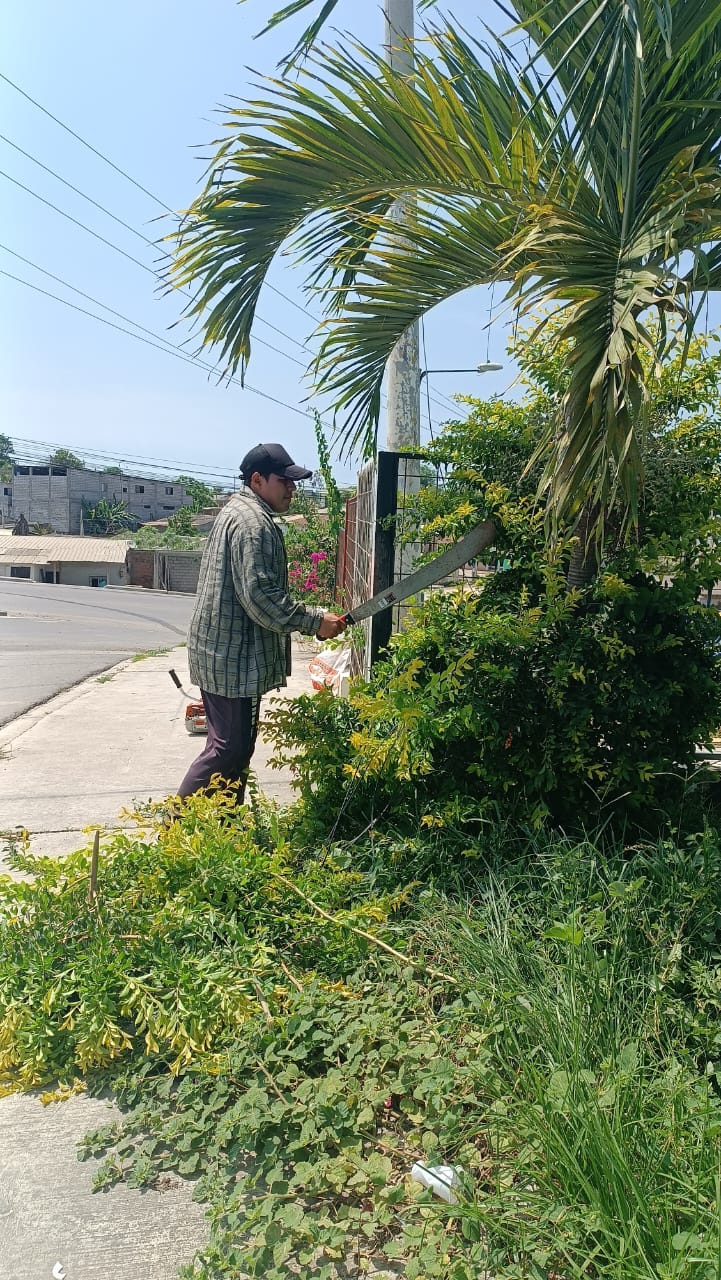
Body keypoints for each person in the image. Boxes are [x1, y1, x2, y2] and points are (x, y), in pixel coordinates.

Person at [177, 442, 346, 805]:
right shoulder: (253, 524)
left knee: (233, 748)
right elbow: (261, 598)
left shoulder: (239, 512)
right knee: (228, 749)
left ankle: (225, 826)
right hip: (231, 658)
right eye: (284, 480)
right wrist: (314, 621)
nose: (292, 488)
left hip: (224, 652)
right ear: (257, 480)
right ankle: (177, 827)